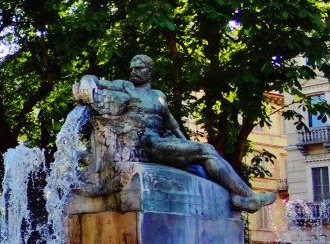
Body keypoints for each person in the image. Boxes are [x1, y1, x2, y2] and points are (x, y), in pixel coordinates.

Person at [73, 54, 276, 213]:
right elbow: (97, 82)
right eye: (132, 68)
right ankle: (247, 196)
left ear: (149, 71)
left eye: (139, 68)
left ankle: (239, 196)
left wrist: (184, 144)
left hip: (159, 141)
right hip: (144, 142)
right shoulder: (125, 86)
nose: (133, 71)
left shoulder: (158, 96)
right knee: (206, 150)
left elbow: (172, 124)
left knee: (201, 160)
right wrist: (87, 79)